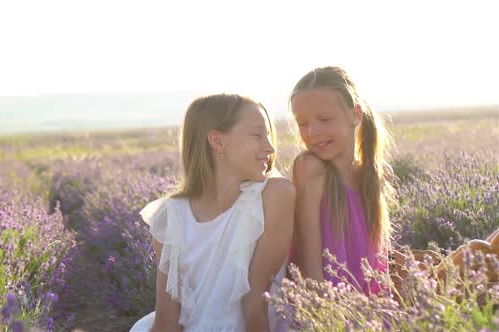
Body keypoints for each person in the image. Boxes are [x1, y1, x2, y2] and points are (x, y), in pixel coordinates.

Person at [130, 94, 295, 331]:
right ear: (217, 142)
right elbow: (168, 320)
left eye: (268, 135)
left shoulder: (275, 195)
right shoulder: (170, 216)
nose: (270, 147)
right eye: (258, 135)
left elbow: (256, 300)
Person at [288, 66, 394, 294]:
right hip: (326, 309)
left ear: (355, 114)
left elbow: (378, 266)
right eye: (303, 123)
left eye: (324, 119)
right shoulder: (311, 169)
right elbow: (309, 258)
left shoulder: (371, 174)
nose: (313, 131)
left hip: (370, 310)